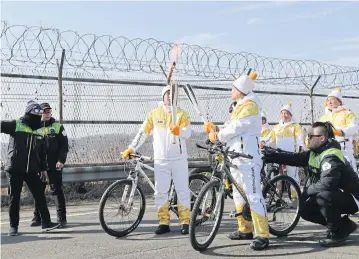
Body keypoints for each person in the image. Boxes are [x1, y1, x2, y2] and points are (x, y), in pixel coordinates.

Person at [262, 121, 359, 247]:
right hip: (336, 194)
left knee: (323, 197)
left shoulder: (331, 157)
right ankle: (343, 225)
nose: (307, 138)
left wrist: (306, 192)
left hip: (353, 197)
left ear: (322, 138)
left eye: (310, 136)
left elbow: (326, 184)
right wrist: (272, 156)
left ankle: (337, 233)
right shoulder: (315, 152)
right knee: (305, 209)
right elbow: (295, 158)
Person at [203, 72, 269, 250]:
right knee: (239, 194)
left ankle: (262, 234)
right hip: (234, 156)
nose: (231, 90)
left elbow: (238, 127)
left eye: (234, 88)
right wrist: (214, 129)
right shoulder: (239, 106)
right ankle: (245, 229)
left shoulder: (251, 105)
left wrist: (218, 135)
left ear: (240, 90)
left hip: (248, 157)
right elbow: (229, 126)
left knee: (253, 195)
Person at [122, 84, 192, 235]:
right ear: (163, 96)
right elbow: (142, 133)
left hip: (179, 159)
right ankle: (163, 222)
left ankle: (185, 221)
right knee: (160, 192)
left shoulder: (182, 114)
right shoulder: (154, 114)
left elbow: (188, 133)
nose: (169, 97)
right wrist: (132, 148)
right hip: (161, 159)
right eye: (167, 94)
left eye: (172, 94)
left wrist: (179, 131)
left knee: (182, 191)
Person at [1, 100, 60, 236]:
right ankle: (13, 228)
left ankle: (46, 223)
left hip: (32, 170)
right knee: (14, 198)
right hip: (15, 168)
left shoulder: (40, 130)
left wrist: (44, 169)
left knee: (40, 195)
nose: (37, 118)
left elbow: (41, 152)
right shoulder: (16, 125)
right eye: (35, 115)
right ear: (28, 114)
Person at [31, 102, 69, 227]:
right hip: (40, 166)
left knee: (56, 191)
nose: (47, 114)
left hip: (54, 164)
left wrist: (61, 160)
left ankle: (61, 219)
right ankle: (37, 218)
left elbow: (64, 145)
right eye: (45, 112)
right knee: (38, 192)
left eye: (49, 112)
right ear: (40, 113)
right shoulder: (34, 127)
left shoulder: (57, 126)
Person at [262, 103, 304, 199]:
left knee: (292, 176)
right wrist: (263, 142)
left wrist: (299, 150)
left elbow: (299, 139)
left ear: (291, 115)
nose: (284, 115)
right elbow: (269, 139)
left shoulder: (295, 126)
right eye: (282, 113)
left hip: (291, 155)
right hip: (278, 154)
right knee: (278, 176)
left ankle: (295, 197)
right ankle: (278, 197)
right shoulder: (276, 127)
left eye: (286, 113)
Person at [320, 88, 359, 173]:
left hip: (344, 149)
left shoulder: (347, 113)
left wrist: (340, 132)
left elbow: (355, 128)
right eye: (328, 100)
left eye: (332, 100)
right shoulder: (324, 117)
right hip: (327, 149)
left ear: (340, 102)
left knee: (351, 174)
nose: (329, 102)